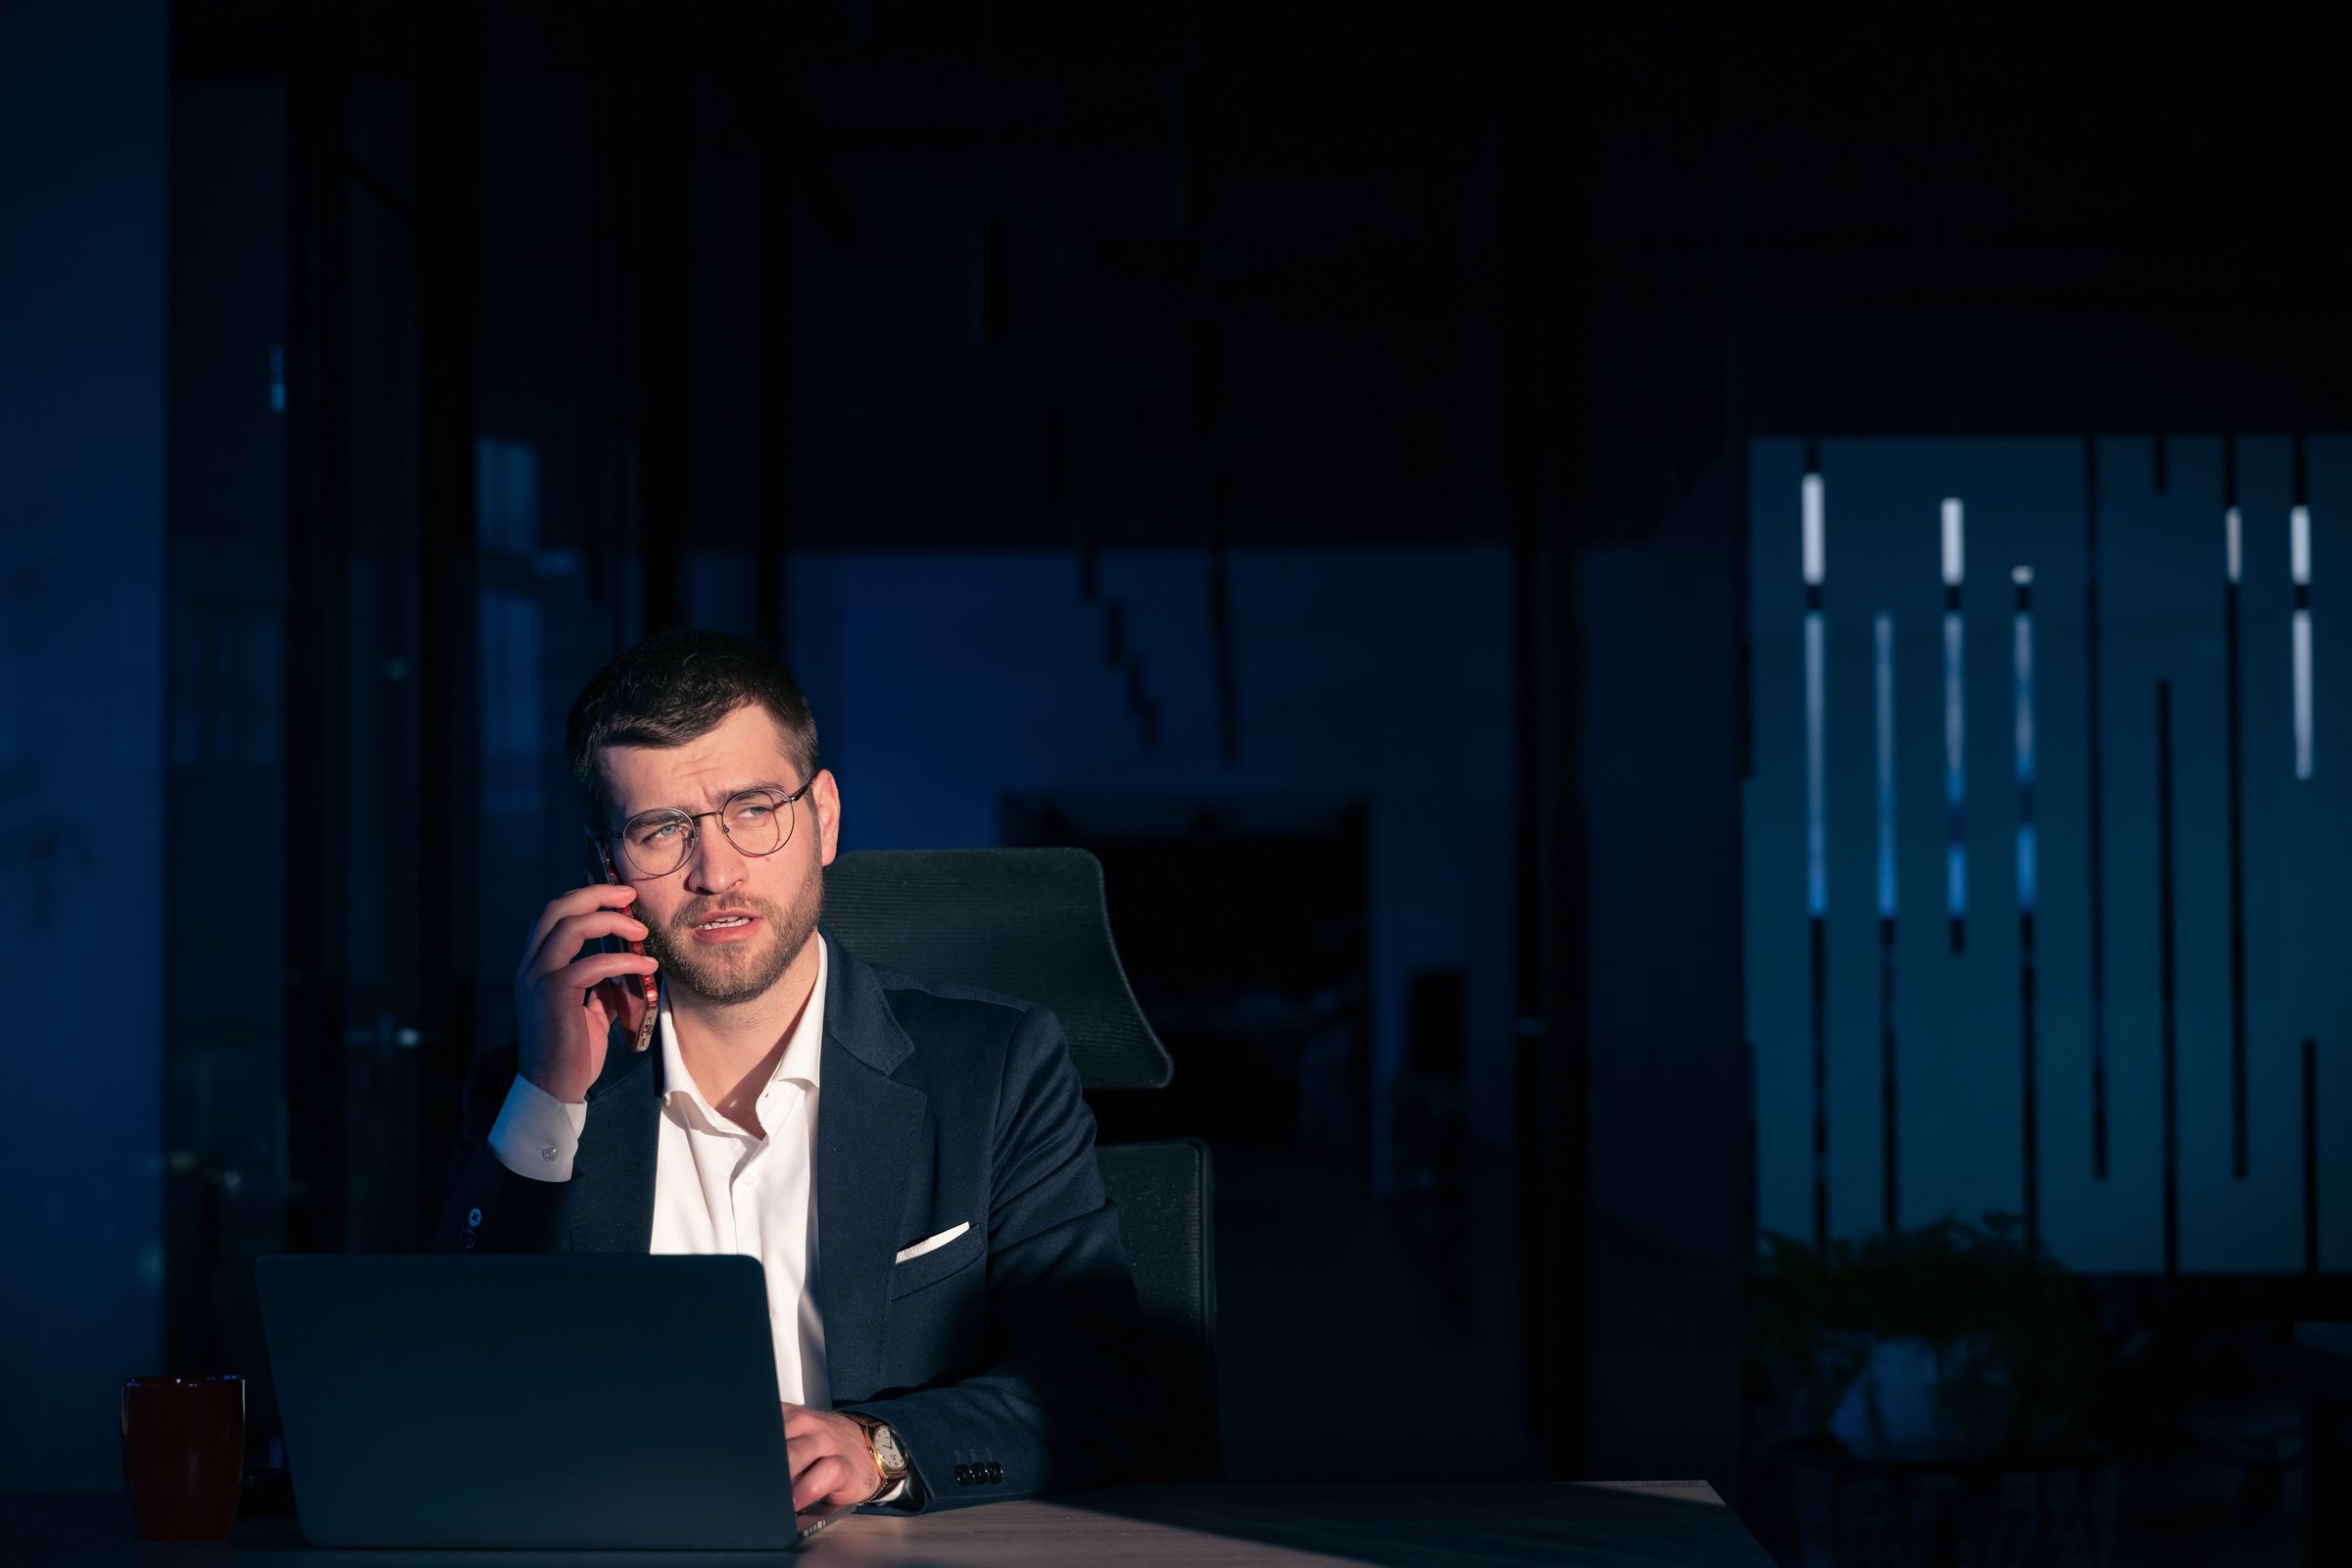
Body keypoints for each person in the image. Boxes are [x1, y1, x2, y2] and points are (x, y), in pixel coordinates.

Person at [428, 627, 1150, 1515]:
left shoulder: (995, 1068)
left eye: (754, 809)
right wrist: (550, 1098)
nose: (716, 871)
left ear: (825, 820)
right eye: (661, 831)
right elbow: (447, 1395)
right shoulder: (533, 1087)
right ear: (604, 867)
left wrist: (880, 1448)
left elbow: (1103, 1387)